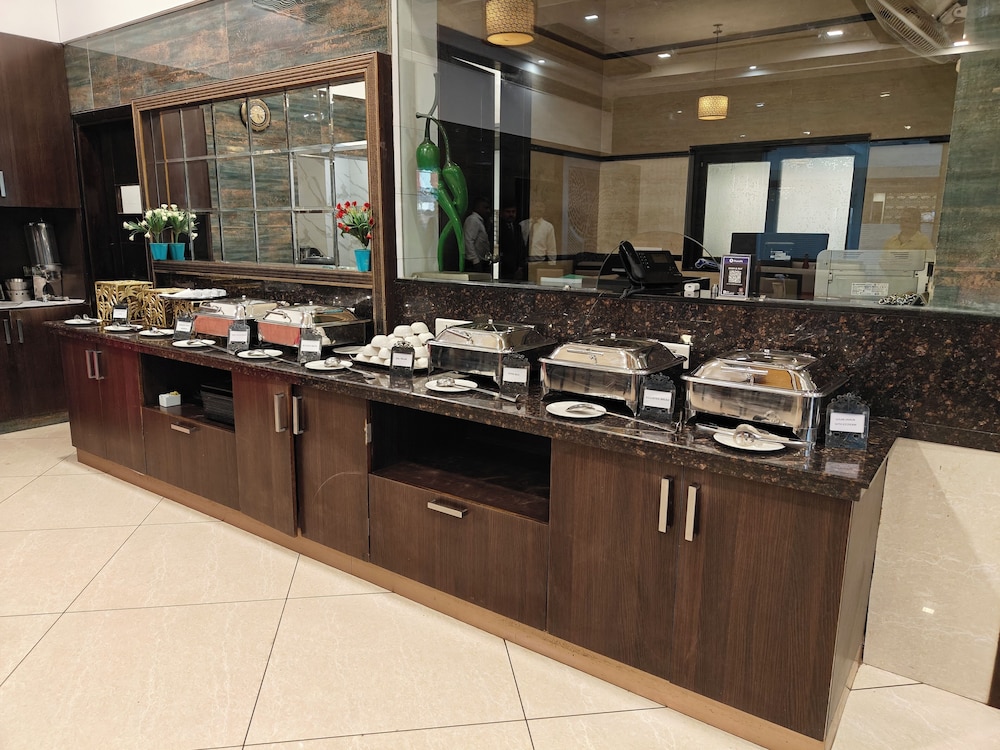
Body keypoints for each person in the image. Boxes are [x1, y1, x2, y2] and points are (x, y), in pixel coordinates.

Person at [497, 203, 527, 280]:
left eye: (513, 212)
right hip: (502, 268)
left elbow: (521, 247)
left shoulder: (517, 227)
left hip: (516, 268)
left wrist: (520, 266)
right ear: (501, 213)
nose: (511, 214)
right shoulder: (497, 226)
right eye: (508, 212)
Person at [463, 196, 492, 272]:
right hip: (474, 263)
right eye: (485, 208)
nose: (488, 211)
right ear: (478, 207)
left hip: (481, 261)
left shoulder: (480, 221)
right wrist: (475, 261)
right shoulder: (473, 220)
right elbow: (468, 241)